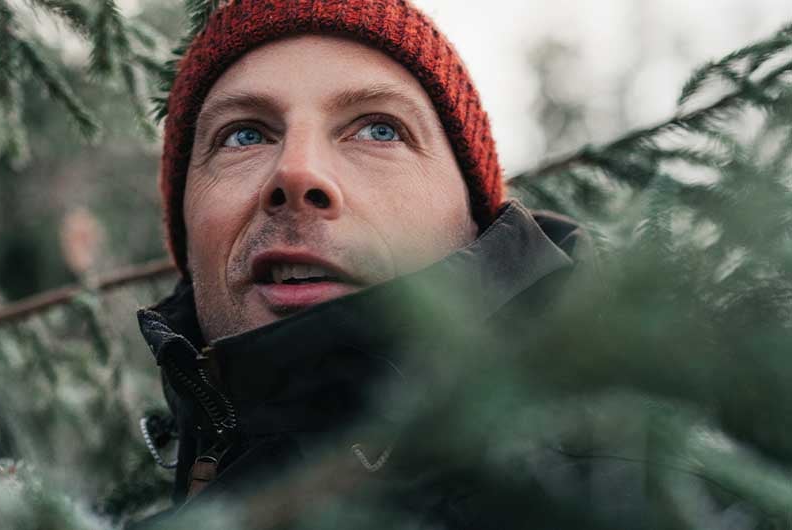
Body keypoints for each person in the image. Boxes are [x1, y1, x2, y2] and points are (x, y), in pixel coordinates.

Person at [133, 0, 594, 527]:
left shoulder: (636, 492)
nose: (298, 173)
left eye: (380, 129)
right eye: (245, 135)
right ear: (188, 234)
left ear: (474, 221)